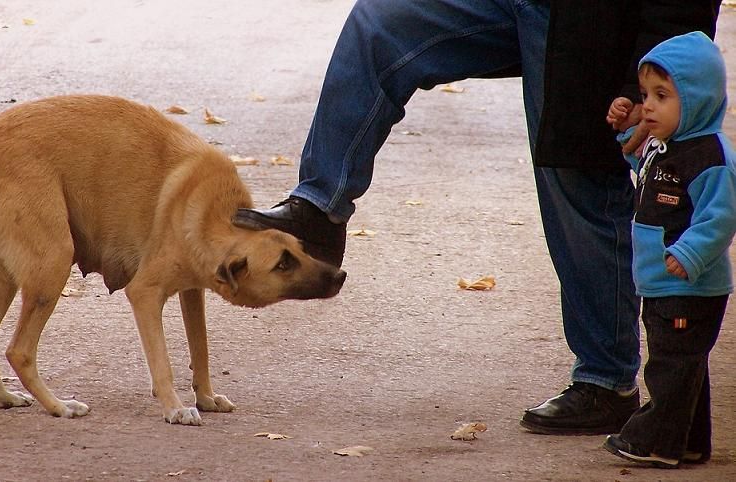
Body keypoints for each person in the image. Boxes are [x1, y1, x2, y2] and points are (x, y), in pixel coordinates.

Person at [232, 0, 720, 434]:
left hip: (594, 21)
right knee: (380, 22)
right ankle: (319, 209)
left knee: (575, 179)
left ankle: (605, 379)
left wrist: (655, 77)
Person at [601, 32, 736, 468]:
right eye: (645, 95)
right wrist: (628, 128)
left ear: (697, 98)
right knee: (685, 366)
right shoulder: (668, 146)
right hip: (661, 282)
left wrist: (691, 255)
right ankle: (690, 441)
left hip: (689, 285)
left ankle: (653, 441)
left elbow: (720, 218)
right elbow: (640, 166)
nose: (650, 106)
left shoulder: (711, 158)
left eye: (663, 95)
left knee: (671, 368)